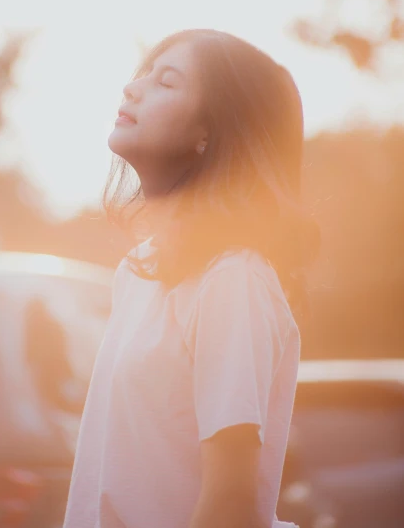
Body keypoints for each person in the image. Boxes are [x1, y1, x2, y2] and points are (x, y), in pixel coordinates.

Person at [63, 28, 319, 528]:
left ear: (210, 132)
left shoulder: (234, 278)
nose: (131, 89)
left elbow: (230, 503)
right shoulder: (139, 272)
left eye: (167, 81)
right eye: (142, 75)